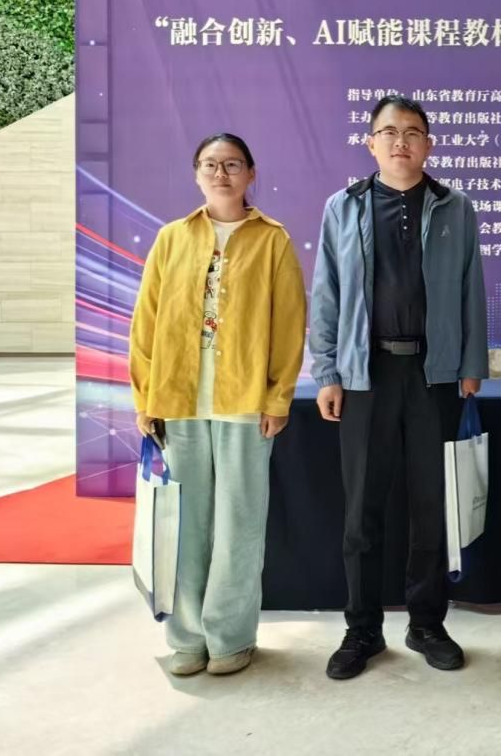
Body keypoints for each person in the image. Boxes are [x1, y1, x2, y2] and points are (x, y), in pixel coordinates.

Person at [311, 94, 488, 681]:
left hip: (433, 376)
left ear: (428, 144)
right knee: (362, 509)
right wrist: (327, 371)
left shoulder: (455, 207)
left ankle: (427, 623)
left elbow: (471, 288)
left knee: (430, 506)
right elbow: (327, 292)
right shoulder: (344, 206)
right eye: (388, 132)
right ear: (371, 143)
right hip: (366, 376)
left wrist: (470, 364)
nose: (401, 141)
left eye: (412, 132)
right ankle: (362, 628)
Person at [130, 133, 307, 677]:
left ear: (251, 173)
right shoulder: (172, 238)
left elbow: (289, 326)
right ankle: (186, 637)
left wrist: (278, 396)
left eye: (232, 164)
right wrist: (145, 396)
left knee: (239, 525)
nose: (221, 173)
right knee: (186, 524)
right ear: (196, 174)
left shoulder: (273, 239)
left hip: (245, 402)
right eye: (210, 164)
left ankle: (230, 638)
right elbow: (145, 323)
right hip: (178, 400)